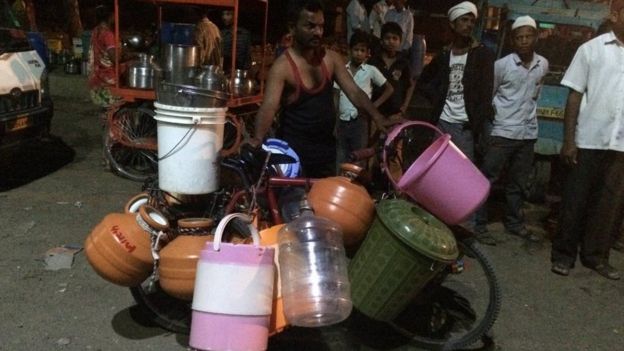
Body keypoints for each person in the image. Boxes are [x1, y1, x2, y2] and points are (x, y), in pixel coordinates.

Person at [250, 0, 391, 179]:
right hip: (292, 157)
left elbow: (354, 92)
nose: (318, 32)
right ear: (292, 28)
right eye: (310, 26)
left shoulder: (331, 59)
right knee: (293, 205)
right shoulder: (283, 67)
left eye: (321, 26)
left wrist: (378, 117)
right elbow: (269, 107)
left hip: (326, 154)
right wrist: (257, 138)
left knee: (323, 204)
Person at [550, 0, 624, 280]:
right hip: (589, 139)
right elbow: (574, 95)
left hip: (620, 146)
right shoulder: (591, 50)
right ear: (616, 15)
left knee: (608, 206)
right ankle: (564, 255)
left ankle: (596, 256)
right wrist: (569, 140)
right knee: (575, 200)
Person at [473, 16, 549, 245]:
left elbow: (536, 94)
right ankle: (478, 224)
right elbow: (490, 96)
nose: (524, 41)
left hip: (527, 134)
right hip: (503, 132)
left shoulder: (542, 64)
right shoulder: (502, 65)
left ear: (536, 37)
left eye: (528, 36)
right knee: (487, 179)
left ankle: (514, 222)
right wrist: (489, 130)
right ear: (513, 41)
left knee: (518, 183)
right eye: (519, 37)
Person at [418, 1, 494, 163]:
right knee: (437, 166)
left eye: (472, 21)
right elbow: (423, 81)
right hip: (442, 122)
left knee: (464, 169)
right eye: (464, 20)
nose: (468, 25)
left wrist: (476, 123)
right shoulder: (445, 54)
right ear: (453, 24)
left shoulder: (482, 54)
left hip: (465, 125)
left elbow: (486, 94)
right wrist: (437, 97)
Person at [334, 30, 394, 168]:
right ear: (350, 50)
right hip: (342, 120)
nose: (359, 53)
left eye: (362, 50)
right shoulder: (342, 70)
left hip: (360, 120)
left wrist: (373, 106)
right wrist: (335, 119)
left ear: (367, 53)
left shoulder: (370, 70)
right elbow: (336, 94)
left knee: (359, 158)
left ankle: (357, 188)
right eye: (356, 49)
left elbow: (389, 89)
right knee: (341, 157)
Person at [368, 21, 415, 121]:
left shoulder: (403, 62)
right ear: (381, 40)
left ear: (400, 41)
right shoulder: (373, 61)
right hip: (376, 112)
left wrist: (404, 107)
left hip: (396, 113)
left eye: (395, 38)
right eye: (387, 38)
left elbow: (410, 85)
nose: (391, 41)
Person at [88, 3, 122, 108]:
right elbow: (115, 59)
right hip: (107, 82)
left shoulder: (95, 31)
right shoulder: (108, 34)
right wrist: (129, 56)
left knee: (107, 115)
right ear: (111, 16)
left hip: (96, 79)